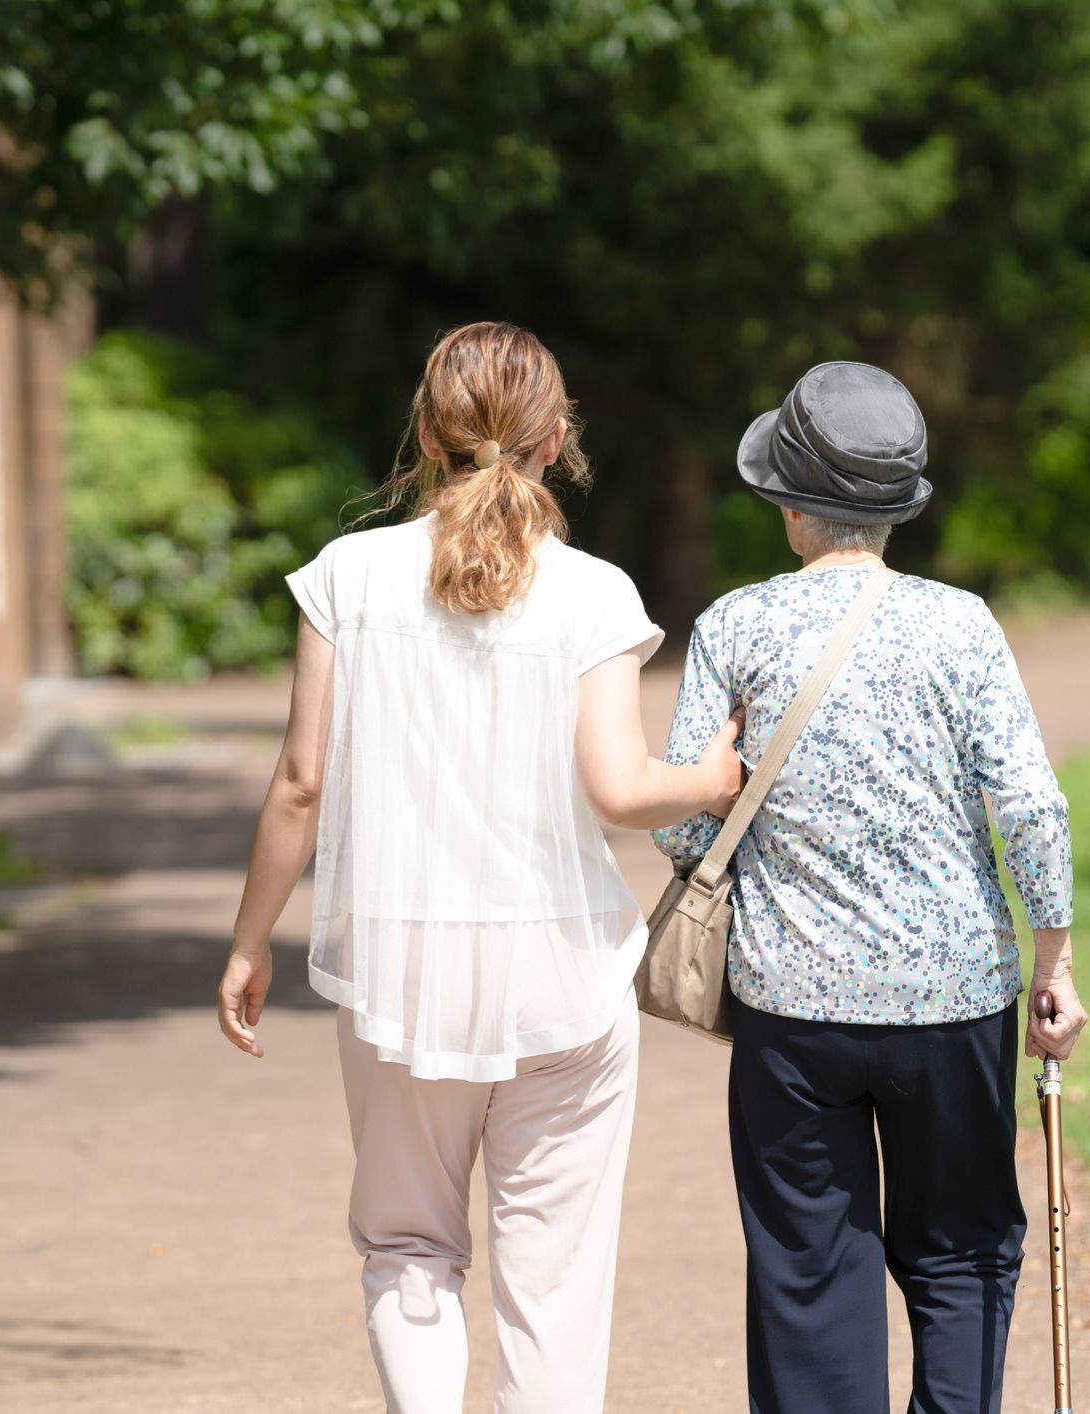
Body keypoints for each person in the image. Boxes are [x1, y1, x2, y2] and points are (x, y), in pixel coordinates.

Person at [217, 321, 743, 1414]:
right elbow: (620, 785)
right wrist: (712, 777)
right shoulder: (592, 590)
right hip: (562, 968)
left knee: (407, 1244)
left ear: (425, 430)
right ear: (559, 439)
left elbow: (301, 782)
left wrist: (249, 938)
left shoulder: (346, 580)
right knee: (554, 1275)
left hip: (399, 974)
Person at [654, 361, 1087, 1414]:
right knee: (964, 1253)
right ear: (897, 507)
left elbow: (679, 821)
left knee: (809, 1270)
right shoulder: (961, 625)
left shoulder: (735, 627)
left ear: (792, 502)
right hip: (953, 1003)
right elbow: (1030, 805)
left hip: (791, 1011)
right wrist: (1056, 958)